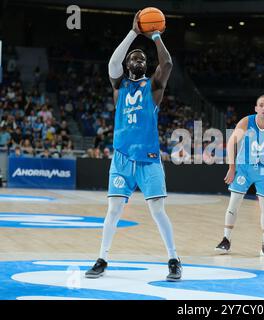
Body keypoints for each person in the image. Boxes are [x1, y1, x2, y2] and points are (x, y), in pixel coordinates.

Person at [85, 11, 181, 281]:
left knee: (157, 210)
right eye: (133, 58)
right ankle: (102, 258)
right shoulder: (119, 86)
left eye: (142, 58)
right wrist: (133, 33)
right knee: (113, 210)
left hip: (148, 158)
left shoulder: (154, 87)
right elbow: (112, 64)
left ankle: (174, 258)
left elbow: (168, 63)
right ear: (128, 65)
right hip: (122, 158)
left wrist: (156, 36)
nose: (138, 59)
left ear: (146, 65)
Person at [215, 95, 264, 258]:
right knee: (234, 203)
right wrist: (232, 167)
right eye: (261, 105)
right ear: (256, 108)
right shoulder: (246, 122)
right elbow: (231, 143)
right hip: (244, 167)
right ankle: (226, 240)